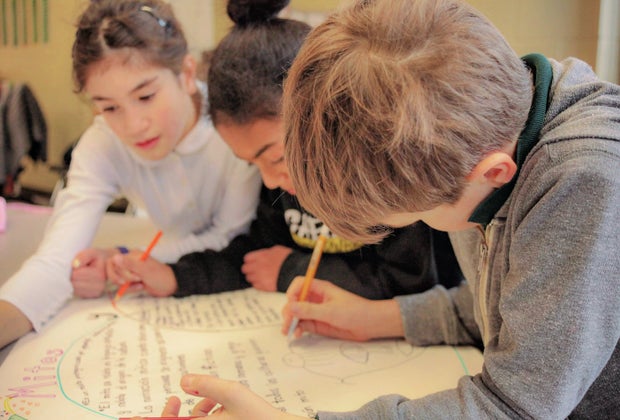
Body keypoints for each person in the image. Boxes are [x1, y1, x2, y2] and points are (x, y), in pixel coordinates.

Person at [145, 0, 620, 418]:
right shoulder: (484, 132)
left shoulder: (584, 181)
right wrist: (379, 319)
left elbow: (518, 406)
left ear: (491, 173)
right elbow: (503, 308)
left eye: (415, 217)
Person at [106, 0, 462, 301]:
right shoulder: (282, 188)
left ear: (322, 114)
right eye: (252, 163)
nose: (270, 180)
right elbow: (256, 256)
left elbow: (418, 283)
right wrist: (175, 277)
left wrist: (293, 270)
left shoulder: (385, 178)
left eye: (275, 157)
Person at [0, 0, 261, 349]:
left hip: (237, 281)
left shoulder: (232, 124)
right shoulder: (102, 144)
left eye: (146, 96)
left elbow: (228, 235)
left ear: (186, 74)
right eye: (109, 107)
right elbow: (55, 262)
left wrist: (125, 258)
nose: (134, 125)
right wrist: (121, 259)